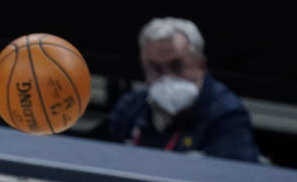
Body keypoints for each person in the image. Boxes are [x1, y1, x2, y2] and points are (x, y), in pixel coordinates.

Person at [105, 17, 260, 162]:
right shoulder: (129, 108)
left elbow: (233, 180)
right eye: (156, 69)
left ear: (200, 65)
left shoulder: (227, 116)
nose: (166, 78)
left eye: (176, 67)